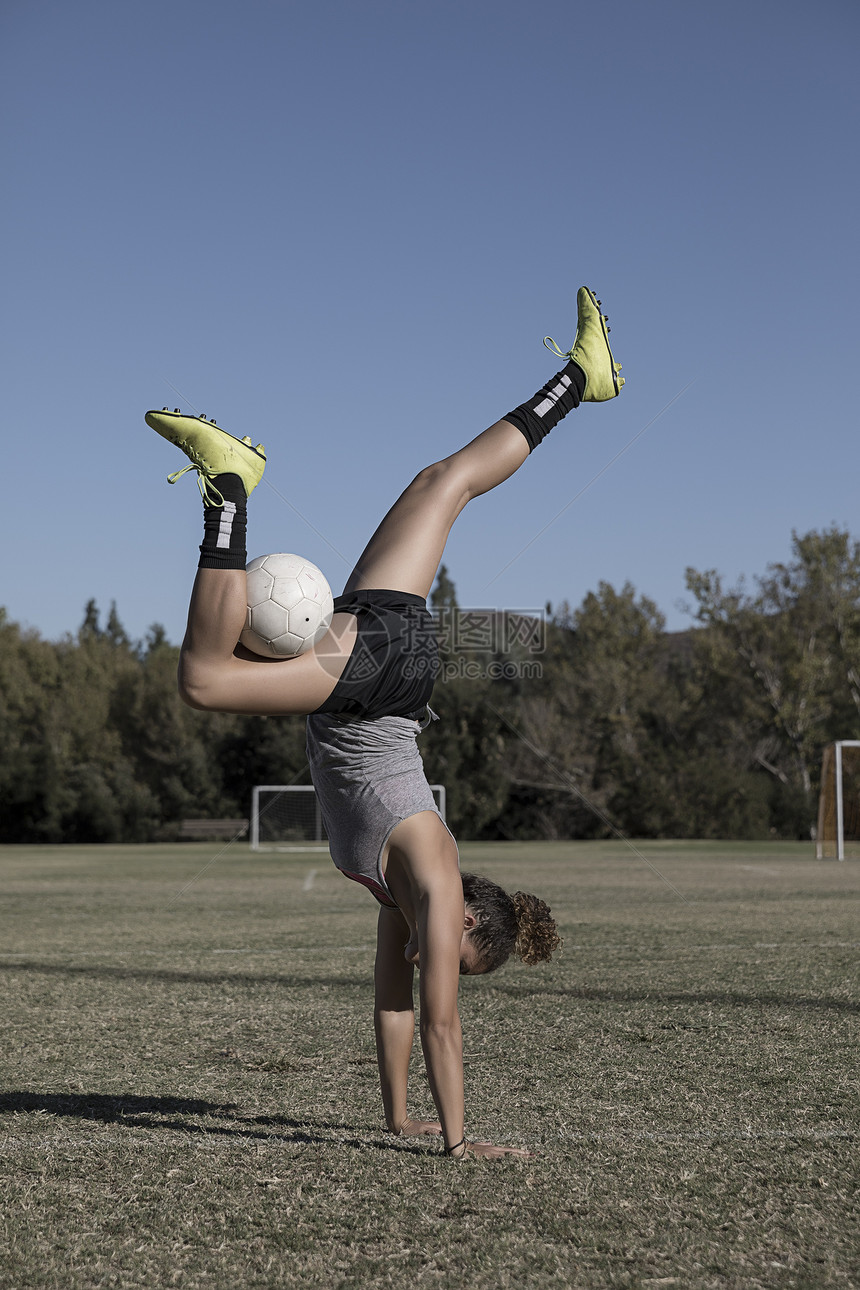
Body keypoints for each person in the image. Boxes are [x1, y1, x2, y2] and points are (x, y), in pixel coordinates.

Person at [147, 286, 624, 1160]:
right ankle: (227, 490)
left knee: (442, 483)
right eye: (455, 957)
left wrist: (398, 1120)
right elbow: (440, 1023)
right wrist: (456, 1141)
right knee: (206, 682)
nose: (431, 961)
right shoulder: (435, 892)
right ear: (468, 925)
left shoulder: (394, 898)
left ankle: (579, 379)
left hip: (393, 665)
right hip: (369, 684)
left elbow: (394, 1009)